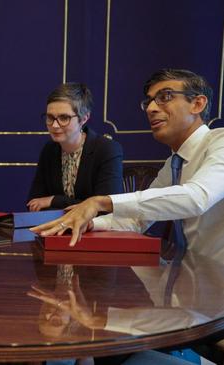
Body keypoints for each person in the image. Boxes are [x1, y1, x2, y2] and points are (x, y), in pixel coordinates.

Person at [32, 69, 224, 262]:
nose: (151, 108)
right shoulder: (173, 164)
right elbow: (137, 220)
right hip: (193, 277)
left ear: (197, 104)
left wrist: (98, 201)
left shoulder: (220, 142)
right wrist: (90, 223)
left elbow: (198, 197)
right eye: (149, 101)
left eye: (165, 97)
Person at [27, 82, 124, 211]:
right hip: (57, 228)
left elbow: (106, 207)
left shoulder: (107, 149)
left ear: (84, 118)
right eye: (50, 117)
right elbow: (34, 203)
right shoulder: (49, 150)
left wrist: (54, 200)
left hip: (97, 229)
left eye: (64, 118)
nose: (55, 125)